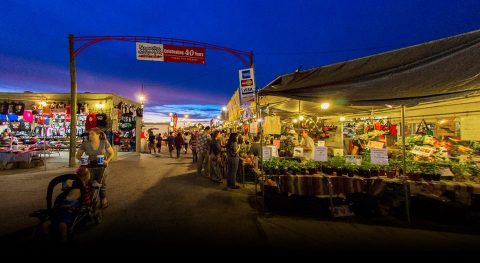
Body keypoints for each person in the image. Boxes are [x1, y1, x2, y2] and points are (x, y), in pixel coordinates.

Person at [42, 166, 92, 242]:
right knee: (45, 224)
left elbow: (80, 200)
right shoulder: (75, 186)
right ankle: (47, 236)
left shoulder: (83, 190)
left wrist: (69, 204)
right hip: (58, 210)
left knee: (62, 225)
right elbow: (65, 195)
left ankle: (63, 237)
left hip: (67, 212)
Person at [75, 127, 114, 208]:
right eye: (89, 134)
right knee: (89, 185)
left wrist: (107, 161)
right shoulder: (85, 144)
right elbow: (78, 156)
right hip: (89, 167)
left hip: (102, 167)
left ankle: (103, 199)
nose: (90, 135)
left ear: (98, 135)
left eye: (92, 134)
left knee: (102, 184)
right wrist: (84, 160)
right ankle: (90, 200)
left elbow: (111, 153)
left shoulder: (104, 142)